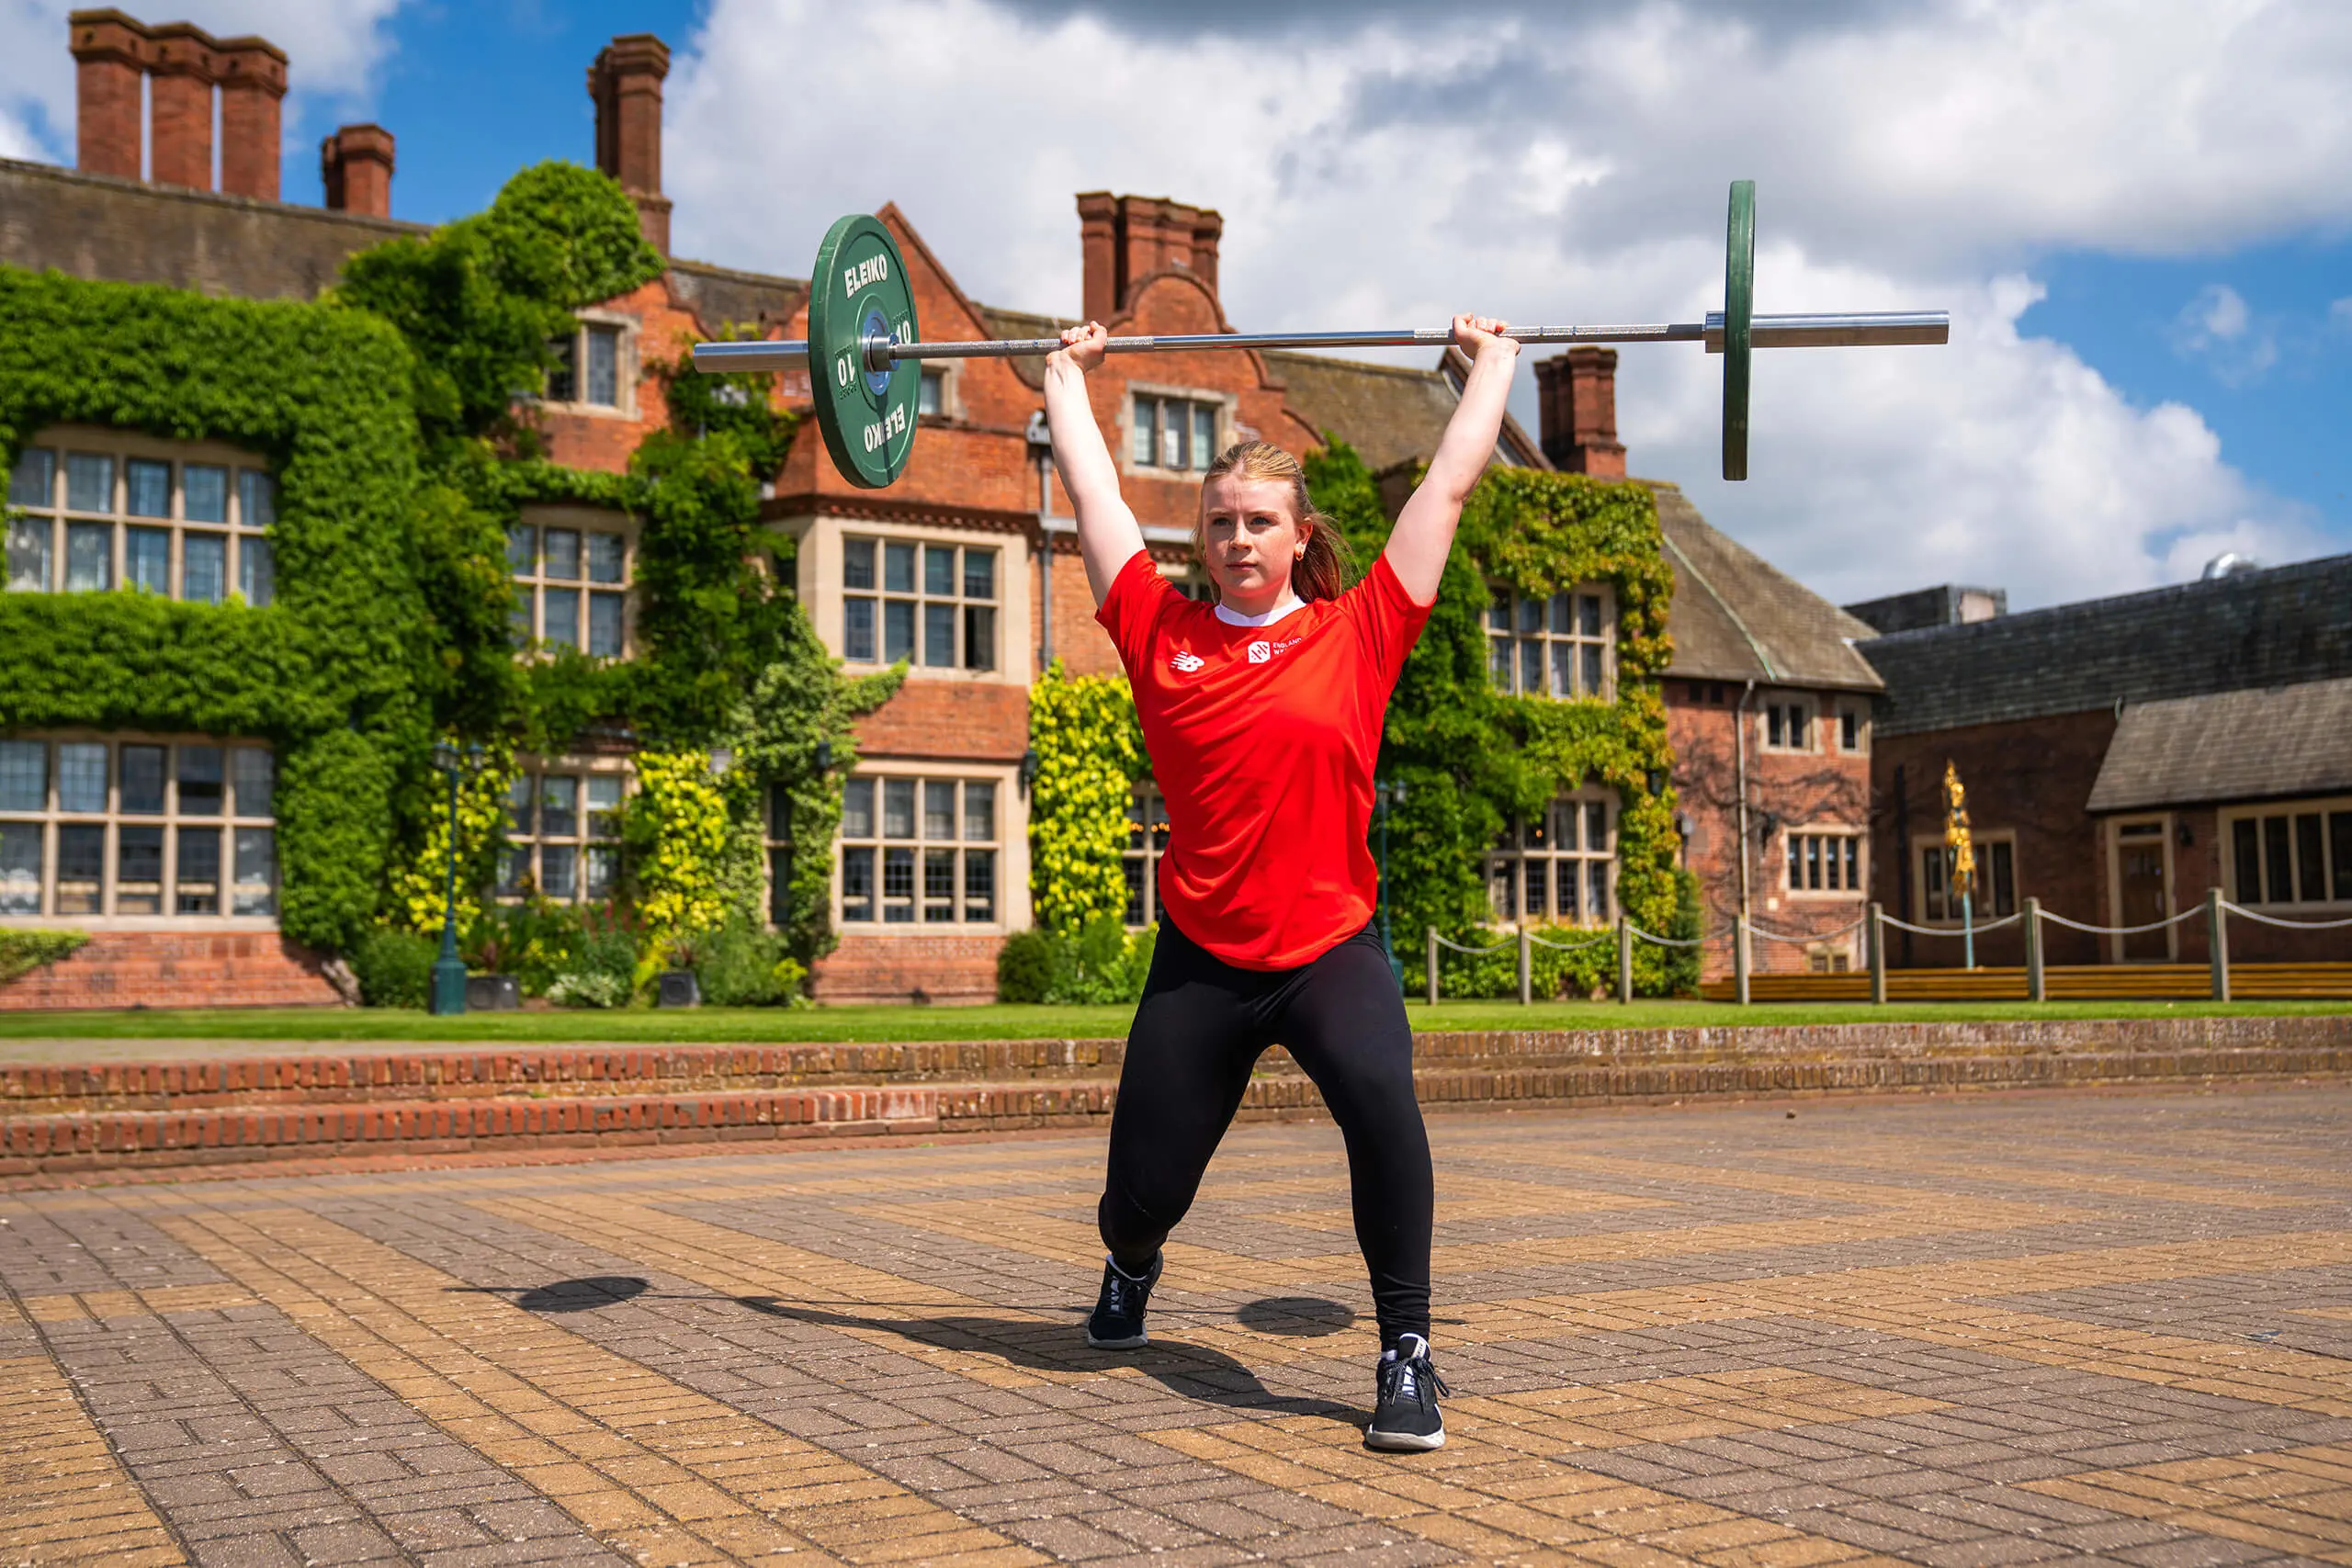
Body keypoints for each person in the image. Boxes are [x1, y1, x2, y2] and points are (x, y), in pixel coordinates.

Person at [1043, 311, 1520, 1452]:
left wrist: (1494, 367)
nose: (1236, 538)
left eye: (1258, 521)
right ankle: (1131, 1263)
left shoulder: (1361, 631)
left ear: (1300, 536)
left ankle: (1405, 1351)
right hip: (1202, 956)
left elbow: (1446, 490)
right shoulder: (1157, 631)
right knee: (1140, 1194)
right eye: (1218, 521)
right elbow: (1097, 499)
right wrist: (1063, 377)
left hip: (1327, 949)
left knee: (1381, 1100)